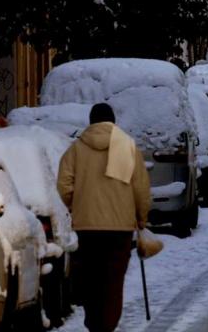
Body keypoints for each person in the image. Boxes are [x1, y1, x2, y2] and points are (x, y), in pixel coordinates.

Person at [57, 103, 151, 332]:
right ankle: (107, 325)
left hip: (86, 227)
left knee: (91, 278)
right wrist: (141, 217)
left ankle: (94, 323)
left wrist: (76, 204)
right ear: (113, 121)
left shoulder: (76, 149)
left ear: (91, 122)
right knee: (113, 281)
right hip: (120, 229)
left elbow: (64, 184)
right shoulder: (126, 147)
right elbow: (140, 188)